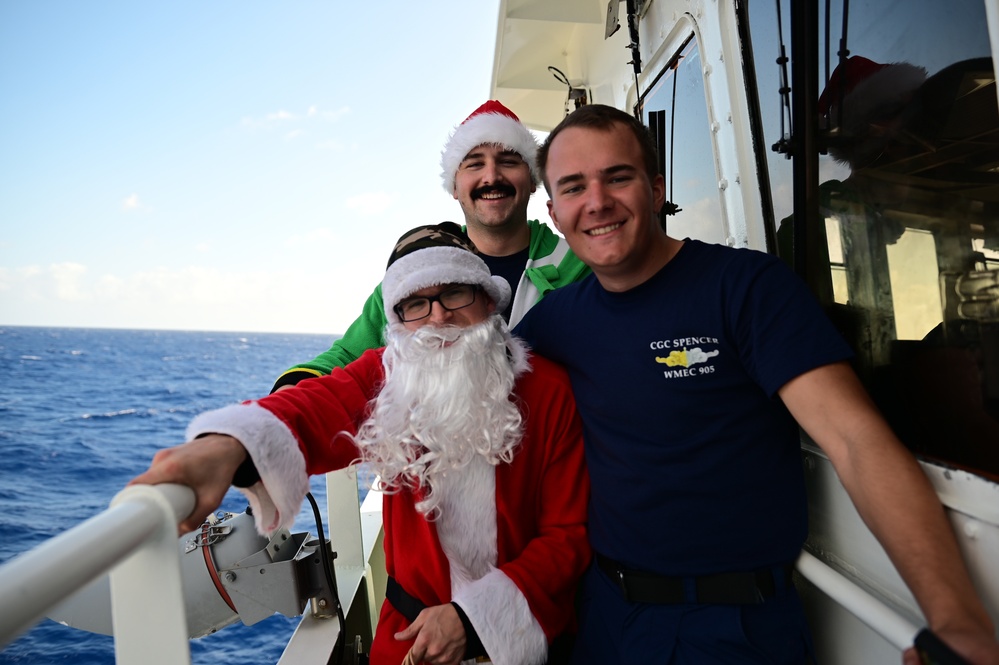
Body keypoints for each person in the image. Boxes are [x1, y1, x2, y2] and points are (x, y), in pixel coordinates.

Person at [512, 103, 999, 664]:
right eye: (573, 187)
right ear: (553, 211)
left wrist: (955, 617)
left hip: (735, 627)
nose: (596, 202)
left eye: (617, 176)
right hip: (608, 618)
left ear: (655, 185)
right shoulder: (554, 324)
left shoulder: (746, 289)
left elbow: (854, 441)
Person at [130, 222, 591, 665]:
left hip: (525, 632)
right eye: (416, 304)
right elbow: (316, 407)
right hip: (408, 643)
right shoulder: (388, 375)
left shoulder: (549, 390)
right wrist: (229, 444)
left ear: (488, 300)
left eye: (455, 292)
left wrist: (473, 619)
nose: (439, 316)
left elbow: (568, 534)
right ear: (396, 322)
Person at [271, 100, 590, 391]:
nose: (491, 176)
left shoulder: (580, 266)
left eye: (508, 161)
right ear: (454, 186)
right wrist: (288, 397)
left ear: (533, 179)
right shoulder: (418, 268)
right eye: (474, 164)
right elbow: (347, 356)